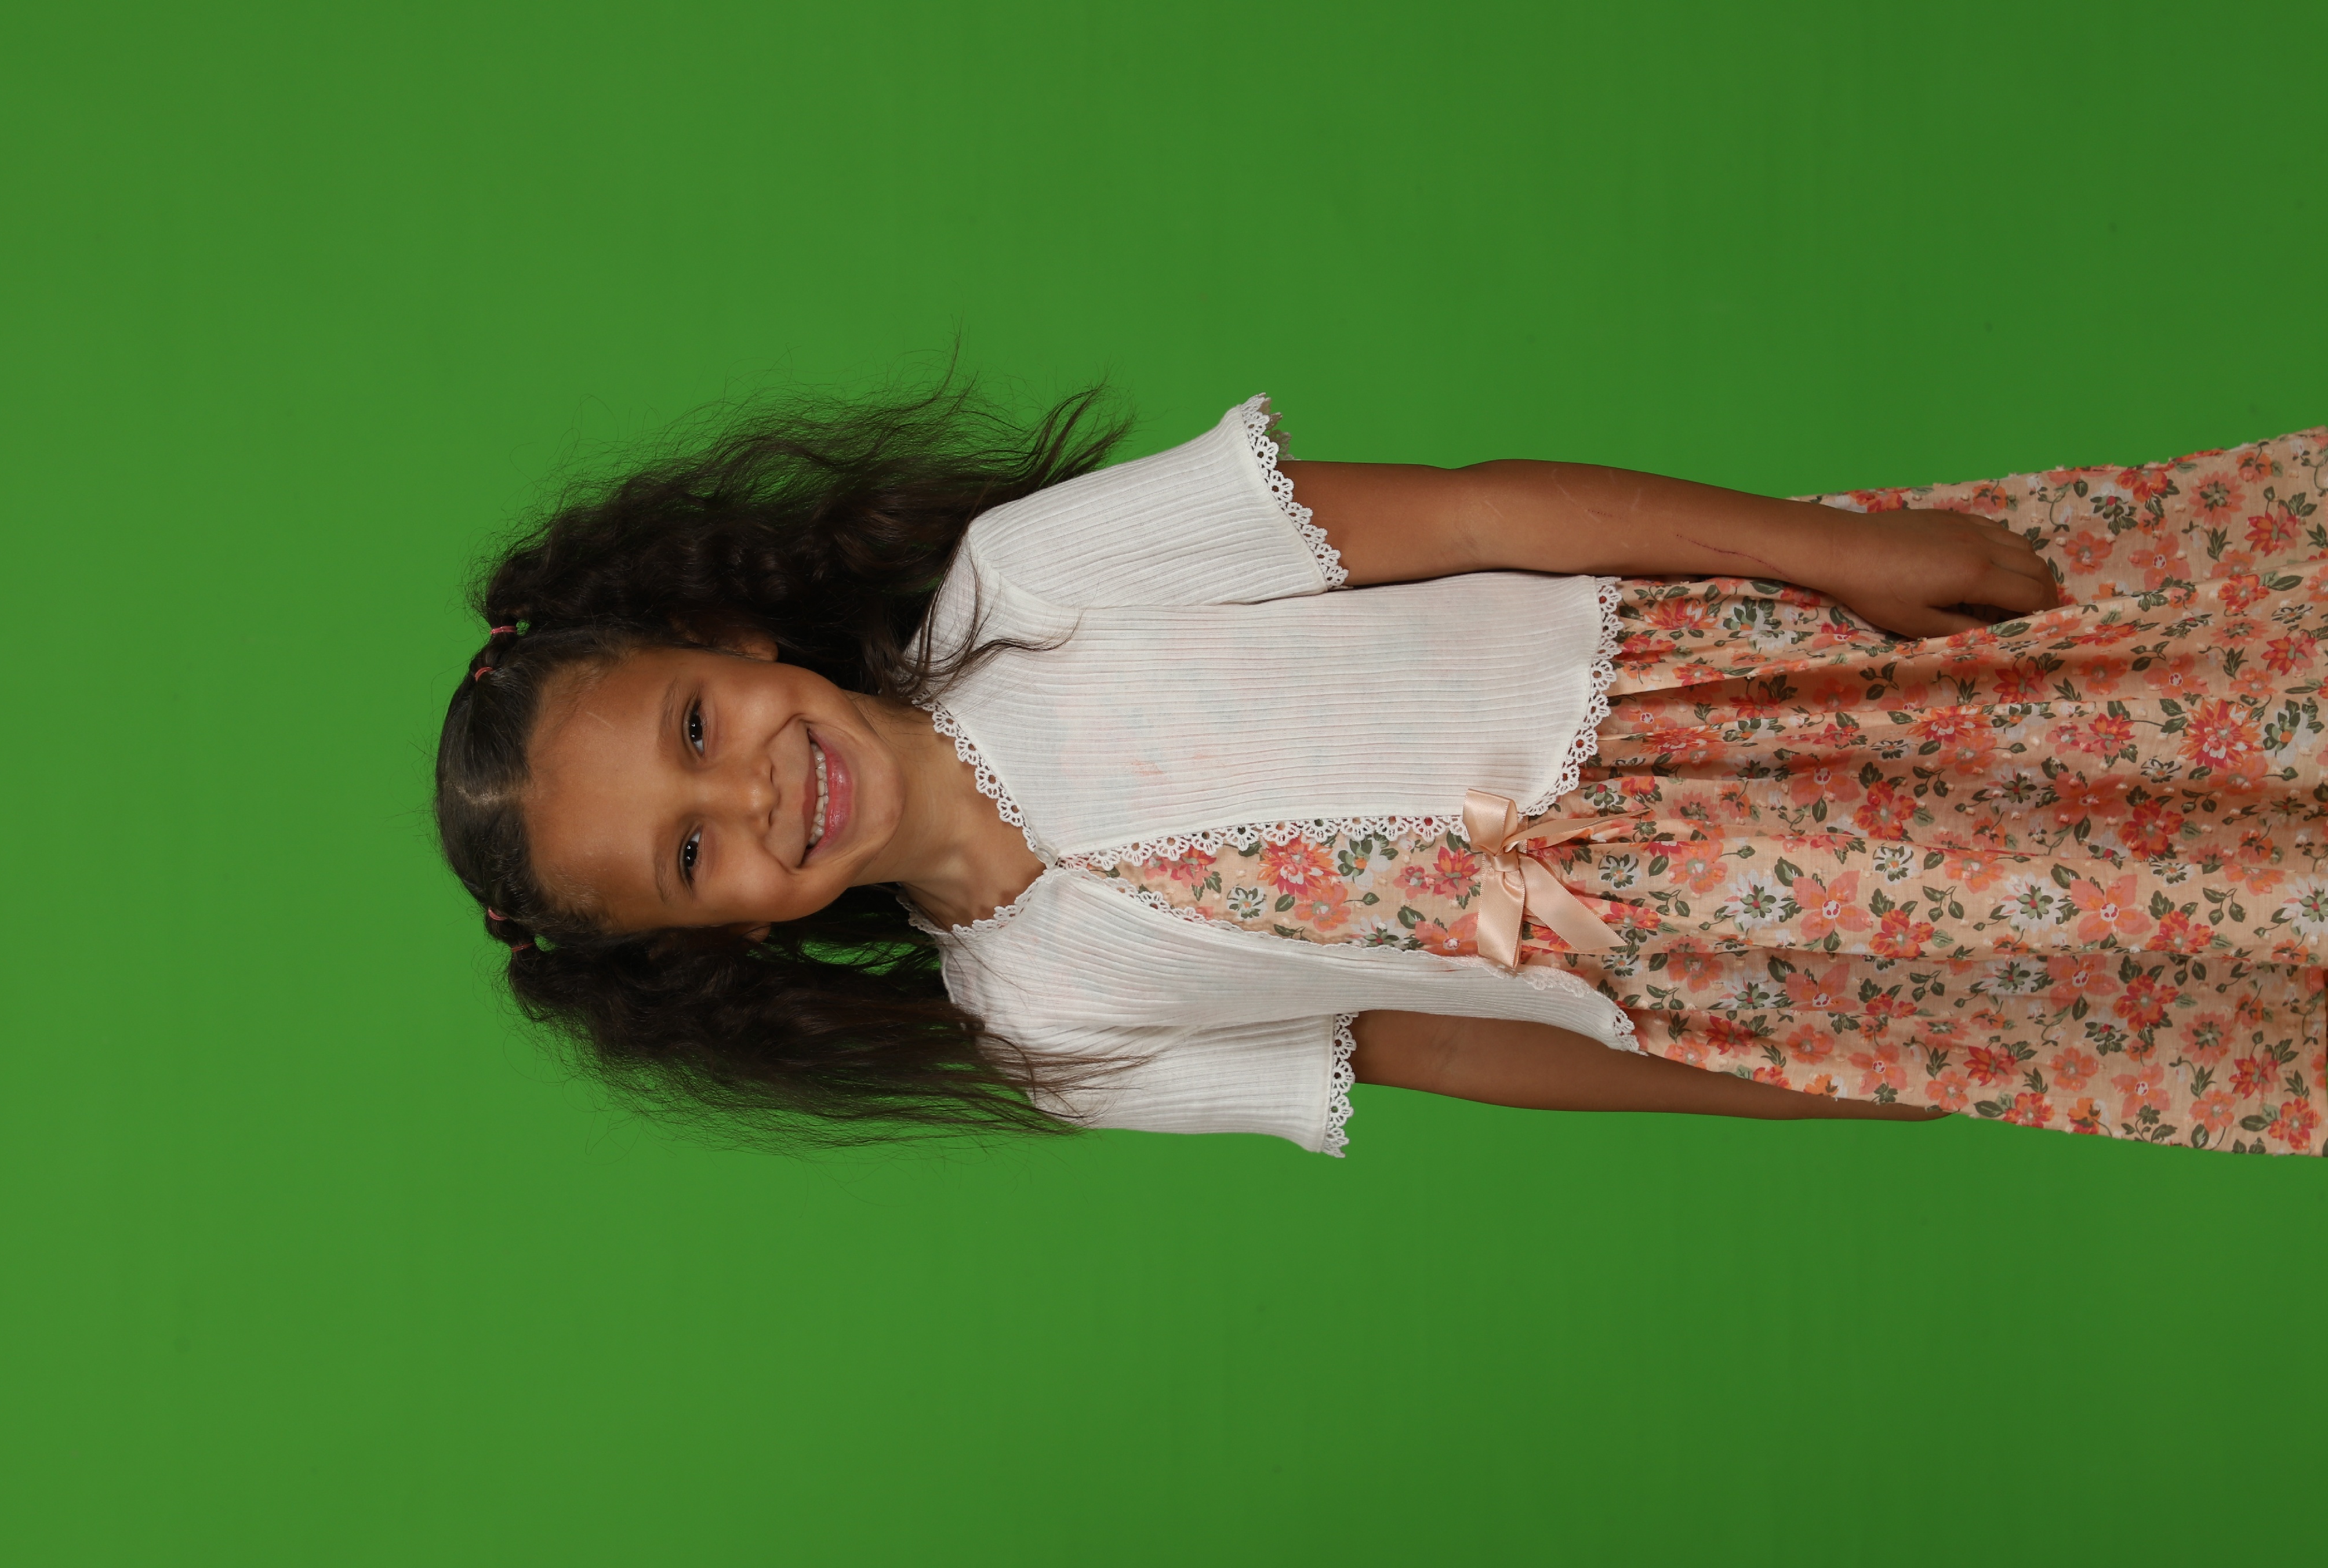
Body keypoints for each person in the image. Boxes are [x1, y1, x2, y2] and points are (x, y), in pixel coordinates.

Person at [433, 383, 2326, 1156]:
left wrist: (1833, 553)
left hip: (1771, 696)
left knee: (2217, 700)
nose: (753, 798)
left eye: (695, 732)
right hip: (1777, 949)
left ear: (731, 638)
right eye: (692, 858)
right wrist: (1834, 1071)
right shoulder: (1048, 1026)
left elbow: (1482, 515)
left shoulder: (1038, 580)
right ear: (727, 941)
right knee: (2221, 920)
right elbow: (1453, 1048)